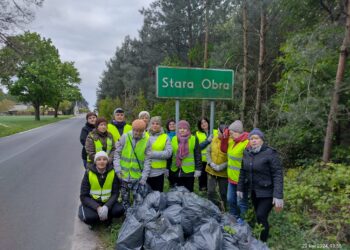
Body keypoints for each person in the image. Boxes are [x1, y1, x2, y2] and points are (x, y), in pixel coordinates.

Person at [237, 128, 283, 242]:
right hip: (254, 191)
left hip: (267, 192)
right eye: (251, 138)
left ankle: (262, 242)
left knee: (261, 215)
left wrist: (278, 195)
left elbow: (278, 174)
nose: (254, 141)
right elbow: (243, 171)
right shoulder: (247, 152)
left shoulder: (270, 153)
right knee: (259, 216)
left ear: (262, 140)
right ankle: (260, 233)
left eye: (256, 138)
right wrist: (240, 188)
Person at [78, 151, 124, 227]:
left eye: (104, 159)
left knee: (119, 210)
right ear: (95, 162)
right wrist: (98, 208)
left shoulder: (112, 172)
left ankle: (107, 217)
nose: (102, 161)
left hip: (107, 201)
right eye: (99, 159)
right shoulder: (88, 173)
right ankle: (94, 216)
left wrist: (106, 206)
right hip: (94, 202)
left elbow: (115, 193)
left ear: (107, 161)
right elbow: (83, 196)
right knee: (89, 217)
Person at [113, 119, 151, 210]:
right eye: (135, 130)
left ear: (144, 130)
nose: (137, 133)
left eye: (140, 131)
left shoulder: (147, 140)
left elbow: (147, 160)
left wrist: (144, 177)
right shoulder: (125, 137)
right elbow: (117, 154)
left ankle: (135, 218)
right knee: (124, 200)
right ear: (132, 129)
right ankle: (126, 217)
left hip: (137, 177)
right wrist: (118, 170)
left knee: (137, 201)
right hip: (123, 175)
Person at [169, 120, 201, 192]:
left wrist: (198, 169)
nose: (182, 130)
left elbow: (197, 155)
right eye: (180, 128)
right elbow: (171, 155)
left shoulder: (194, 139)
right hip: (175, 170)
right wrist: (167, 168)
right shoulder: (174, 139)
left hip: (189, 172)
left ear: (188, 129)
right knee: (177, 193)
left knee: (188, 193)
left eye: (184, 128)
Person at [226, 120, 249, 221]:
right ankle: (233, 217)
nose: (230, 135)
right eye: (229, 134)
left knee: (241, 202)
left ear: (237, 132)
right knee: (230, 199)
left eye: (231, 133)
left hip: (241, 180)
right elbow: (223, 148)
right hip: (231, 178)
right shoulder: (232, 142)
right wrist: (225, 135)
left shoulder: (246, 143)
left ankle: (244, 221)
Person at [142, 116, 172, 192]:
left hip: (158, 172)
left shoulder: (165, 137)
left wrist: (152, 154)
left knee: (158, 195)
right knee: (145, 195)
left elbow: (168, 153)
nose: (155, 125)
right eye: (153, 123)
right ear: (150, 125)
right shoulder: (144, 135)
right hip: (144, 171)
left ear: (160, 126)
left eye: (157, 124)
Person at [206, 124, 229, 211]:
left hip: (223, 173)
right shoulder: (214, 138)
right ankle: (212, 208)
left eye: (220, 132)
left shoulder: (229, 142)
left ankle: (224, 209)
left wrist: (221, 167)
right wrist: (210, 163)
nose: (218, 133)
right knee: (210, 191)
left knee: (223, 193)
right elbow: (208, 151)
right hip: (211, 170)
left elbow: (231, 158)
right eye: (219, 132)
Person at [195, 117, 216, 191]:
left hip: (213, 159)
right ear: (200, 125)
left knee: (212, 178)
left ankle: (212, 193)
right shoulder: (198, 134)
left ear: (208, 122)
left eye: (205, 122)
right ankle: (203, 192)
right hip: (202, 160)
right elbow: (198, 147)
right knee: (202, 178)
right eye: (201, 123)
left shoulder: (215, 132)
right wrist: (207, 141)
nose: (203, 124)